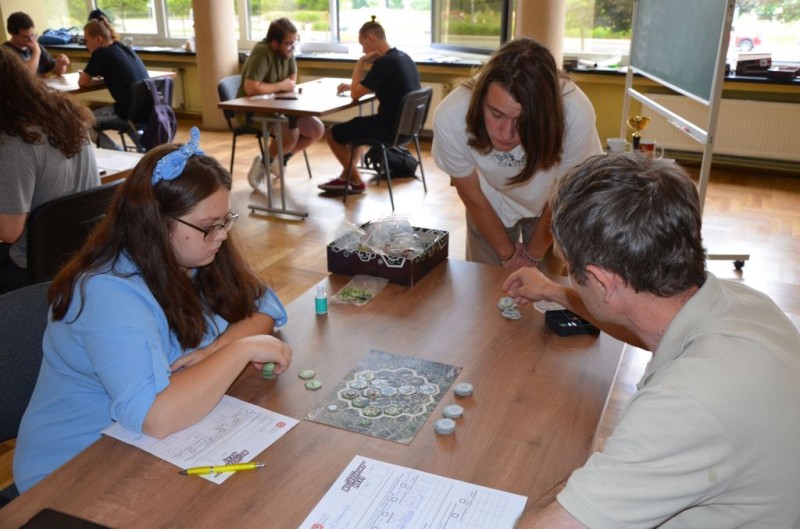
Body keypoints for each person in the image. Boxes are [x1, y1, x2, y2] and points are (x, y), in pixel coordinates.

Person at [503, 153, 800, 528]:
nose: (568, 275)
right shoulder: (744, 303)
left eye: (569, 269)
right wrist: (556, 291)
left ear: (602, 282)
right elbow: (636, 320)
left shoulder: (685, 405)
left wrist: (600, 472)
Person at [13, 128, 293, 493]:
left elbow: (263, 306)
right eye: (209, 226)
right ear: (156, 224)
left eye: (226, 220)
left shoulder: (193, 254)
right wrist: (242, 348)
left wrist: (216, 349)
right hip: (74, 471)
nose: (223, 235)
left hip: (144, 449)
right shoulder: (107, 293)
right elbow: (155, 417)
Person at [432, 38, 602, 271]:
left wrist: (533, 256)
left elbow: (564, 197)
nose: (506, 134)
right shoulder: (451, 115)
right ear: (481, 100)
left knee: (545, 286)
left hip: (550, 202)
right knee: (484, 282)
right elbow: (471, 195)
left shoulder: (575, 114)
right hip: (488, 199)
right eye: (496, 114)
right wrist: (506, 254)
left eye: (522, 121)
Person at [0, 47, 99, 294]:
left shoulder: (14, 140)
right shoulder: (66, 116)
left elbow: (9, 231)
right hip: (82, 252)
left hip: (32, 266)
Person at [318, 16, 421, 195]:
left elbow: (355, 95)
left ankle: (357, 182)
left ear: (371, 39)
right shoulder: (403, 58)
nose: (363, 50)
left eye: (363, 45)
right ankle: (346, 177)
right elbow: (386, 85)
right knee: (357, 129)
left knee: (332, 133)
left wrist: (361, 61)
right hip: (408, 128)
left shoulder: (384, 63)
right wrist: (353, 86)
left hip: (388, 129)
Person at [239, 17, 324, 189]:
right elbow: (251, 88)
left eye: (294, 43)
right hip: (253, 110)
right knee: (291, 133)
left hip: (280, 107)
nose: (292, 47)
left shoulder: (287, 52)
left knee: (317, 129)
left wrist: (279, 87)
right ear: (274, 42)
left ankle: (280, 159)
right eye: (288, 43)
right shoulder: (262, 52)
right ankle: (265, 162)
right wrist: (280, 86)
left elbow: (291, 81)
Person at [79, 16, 149, 151]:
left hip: (126, 113)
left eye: (86, 40)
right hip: (145, 110)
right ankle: (141, 150)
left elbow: (82, 82)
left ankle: (117, 153)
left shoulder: (100, 53)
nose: (86, 45)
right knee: (126, 119)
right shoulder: (123, 47)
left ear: (98, 39)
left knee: (80, 124)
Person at [2, 11, 69, 76]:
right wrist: (36, 52)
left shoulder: (36, 46)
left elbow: (57, 71)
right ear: (12, 33)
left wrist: (61, 64)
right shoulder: (5, 53)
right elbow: (26, 76)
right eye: (25, 37)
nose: (31, 40)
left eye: (33, 35)